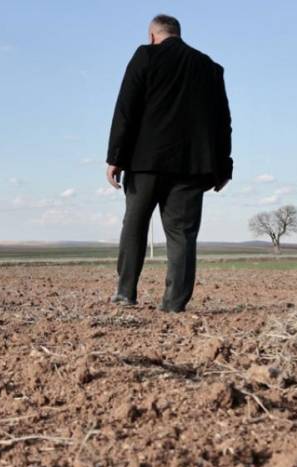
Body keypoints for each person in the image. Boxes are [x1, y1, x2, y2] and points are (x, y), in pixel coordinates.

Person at [105, 13, 233, 313]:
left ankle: (125, 293)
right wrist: (224, 166)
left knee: (134, 226)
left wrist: (115, 157)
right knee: (182, 235)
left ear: (152, 35)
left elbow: (126, 107)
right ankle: (174, 303)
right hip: (191, 166)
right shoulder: (209, 67)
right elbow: (223, 121)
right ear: (178, 33)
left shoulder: (145, 55)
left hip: (144, 162)